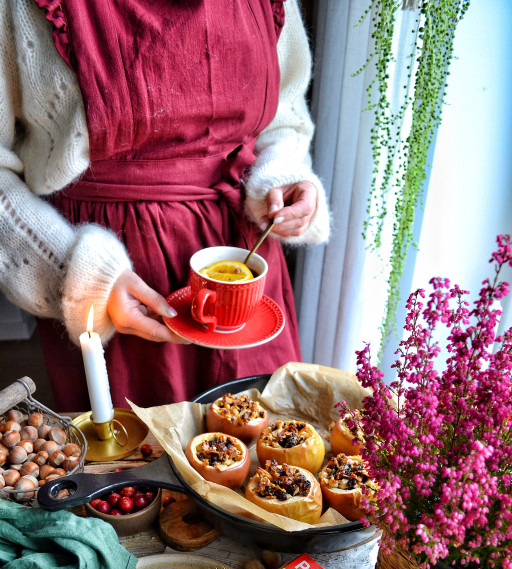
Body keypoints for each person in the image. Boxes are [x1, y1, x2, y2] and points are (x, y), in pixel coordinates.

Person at [0, 0, 330, 410]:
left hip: (246, 281)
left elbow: (284, 116)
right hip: (120, 298)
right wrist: (79, 274)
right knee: (139, 448)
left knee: (267, 440)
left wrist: (282, 176)